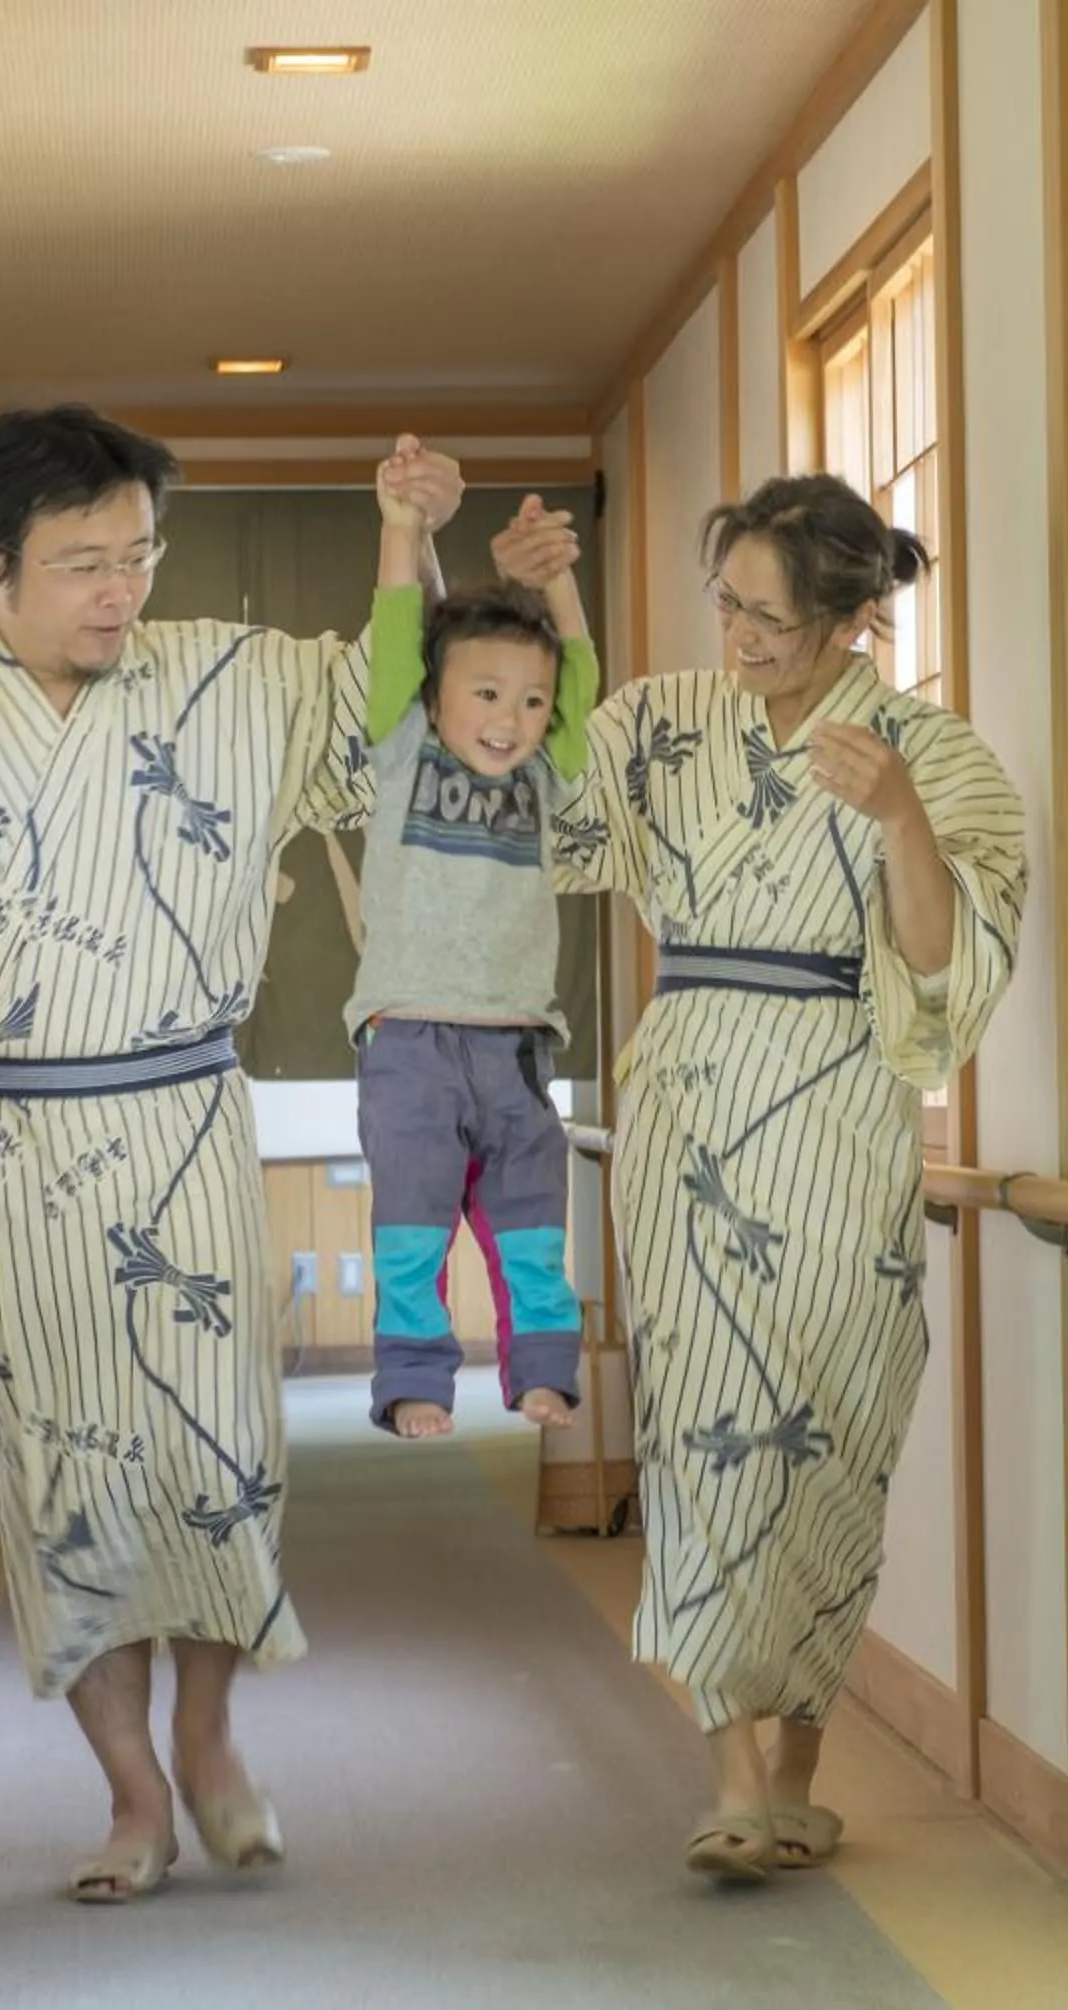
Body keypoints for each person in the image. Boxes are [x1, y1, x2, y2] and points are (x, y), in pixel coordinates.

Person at [0, 404, 465, 1904]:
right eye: (82, 564)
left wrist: (408, 539)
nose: (121, 591)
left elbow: (404, 706)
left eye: (138, 557)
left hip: (179, 1127)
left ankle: (212, 1733)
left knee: (216, 1462)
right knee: (63, 1495)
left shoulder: (229, 677)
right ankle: (129, 1796)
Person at [512, 473, 1026, 1882]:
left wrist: (905, 817)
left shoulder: (941, 755)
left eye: (772, 619)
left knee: (834, 1441)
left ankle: (798, 1759)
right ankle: (733, 1767)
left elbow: (944, 975)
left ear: (858, 618)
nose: (738, 636)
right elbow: (547, 812)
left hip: (845, 1118)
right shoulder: (666, 721)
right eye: (725, 604)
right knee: (708, 1423)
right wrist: (533, 614)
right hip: (690, 1102)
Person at [347, 469, 601, 1439]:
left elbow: (579, 672)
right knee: (411, 1227)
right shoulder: (402, 746)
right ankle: (411, 1380)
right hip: (408, 1035)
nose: (511, 719)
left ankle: (542, 1371)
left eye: (531, 703)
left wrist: (562, 585)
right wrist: (401, 528)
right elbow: (396, 624)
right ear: (435, 693)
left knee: (533, 1223)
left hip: (516, 1043)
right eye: (488, 693)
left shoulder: (547, 777)